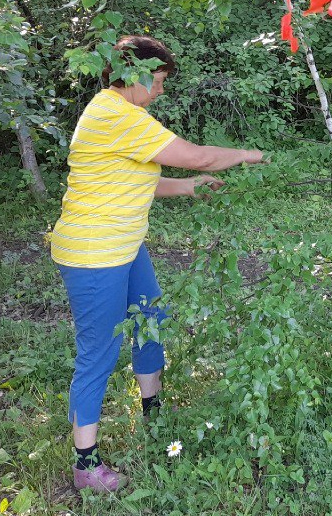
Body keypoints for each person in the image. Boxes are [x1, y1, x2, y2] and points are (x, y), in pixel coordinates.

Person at [50, 34, 265, 493]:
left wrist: (190, 188)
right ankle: (86, 466)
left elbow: (138, 177)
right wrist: (246, 155)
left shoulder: (126, 115)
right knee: (99, 352)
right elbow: (195, 155)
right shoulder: (115, 114)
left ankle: (155, 415)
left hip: (125, 246)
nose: (163, 90)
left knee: (151, 320)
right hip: (94, 254)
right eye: (161, 80)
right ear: (139, 73)